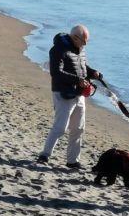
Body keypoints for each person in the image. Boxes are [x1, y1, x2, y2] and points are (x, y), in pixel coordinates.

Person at [37, 25, 102, 168]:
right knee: (60, 127)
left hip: (79, 93)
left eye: (86, 42)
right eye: (83, 42)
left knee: (78, 128)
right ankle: (44, 155)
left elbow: (83, 67)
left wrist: (93, 73)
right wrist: (77, 80)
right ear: (75, 38)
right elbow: (56, 72)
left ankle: (73, 161)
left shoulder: (80, 49)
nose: (85, 45)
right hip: (62, 93)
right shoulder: (58, 49)